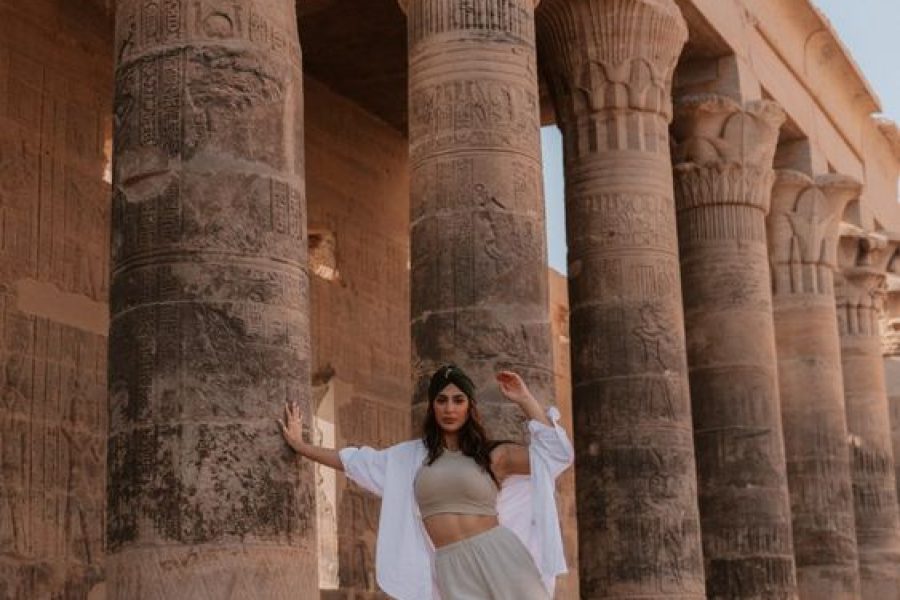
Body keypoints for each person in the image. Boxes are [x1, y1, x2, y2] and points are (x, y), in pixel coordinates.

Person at [279, 364, 574, 600]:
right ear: (432, 406)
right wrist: (301, 446)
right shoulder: (409, 458)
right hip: (450, 565)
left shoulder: (493, 455)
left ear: (470, 407)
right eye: (441, 400)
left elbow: (556, 456)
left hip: (500, 554)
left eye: (458, 400)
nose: (449, 408)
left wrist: (525, 399)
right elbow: (353, 462)